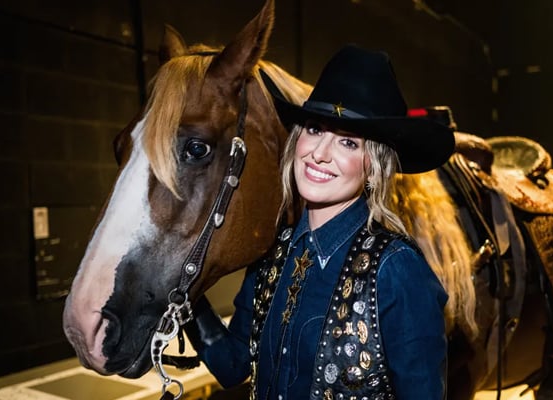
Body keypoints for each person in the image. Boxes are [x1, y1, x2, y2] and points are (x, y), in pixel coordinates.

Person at [184, 44, 454, 399]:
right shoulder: (273, 253)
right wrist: (183, 292)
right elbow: (233, 364)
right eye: (313, 129)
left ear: (373, 167)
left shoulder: (397, 270)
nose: (320, 154)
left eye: (347, 142)